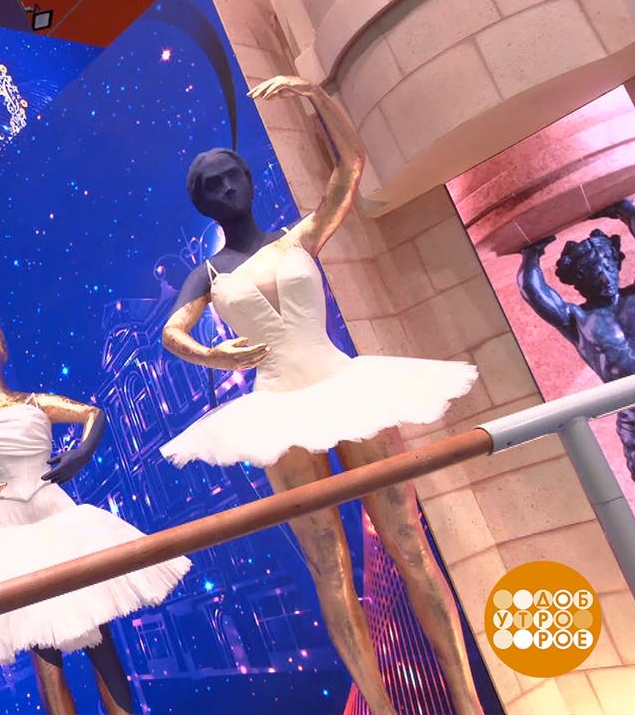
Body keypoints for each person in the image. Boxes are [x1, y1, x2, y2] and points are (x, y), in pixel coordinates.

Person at [159, 76, 482, 715]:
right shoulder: (209, 273)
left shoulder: (298, 237)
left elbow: (350, 168)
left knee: (407, 541)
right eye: (211, 187)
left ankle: (467, 700)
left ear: (249, 180)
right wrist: (210, 354)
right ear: (202, 203)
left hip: (344, 387)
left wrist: (316, 95)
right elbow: (173, 332)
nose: (225, 191)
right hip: (276, 406)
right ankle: (382, 709)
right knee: (329, 570)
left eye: (231, 178)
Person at [0, 316, 190, 715]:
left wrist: (81, 453)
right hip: (9, 533)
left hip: (59, 518)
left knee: (99, 636)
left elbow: (93, 413)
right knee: (43, 652)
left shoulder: (35, 402)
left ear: (0, 345)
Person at [520, 199, 635, 485]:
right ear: (578, 280)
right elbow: (534, 291)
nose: (604, 276)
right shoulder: (577, 318)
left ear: (616, 262)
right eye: (592, 272)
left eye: (607, 265)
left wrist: (625, 211)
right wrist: (531, 255)